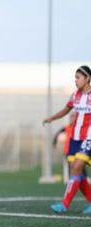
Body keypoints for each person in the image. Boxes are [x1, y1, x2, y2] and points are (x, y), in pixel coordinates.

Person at [43, 65, 91, 214]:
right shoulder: (75, 94)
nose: (75, 80)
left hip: (87, 139)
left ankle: (64, 204)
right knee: (76, 172)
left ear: (87, 79)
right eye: (75, 78)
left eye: (78, 77)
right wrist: (52, 118)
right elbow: (66, 109)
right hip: (74, 139)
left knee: (76, 168)